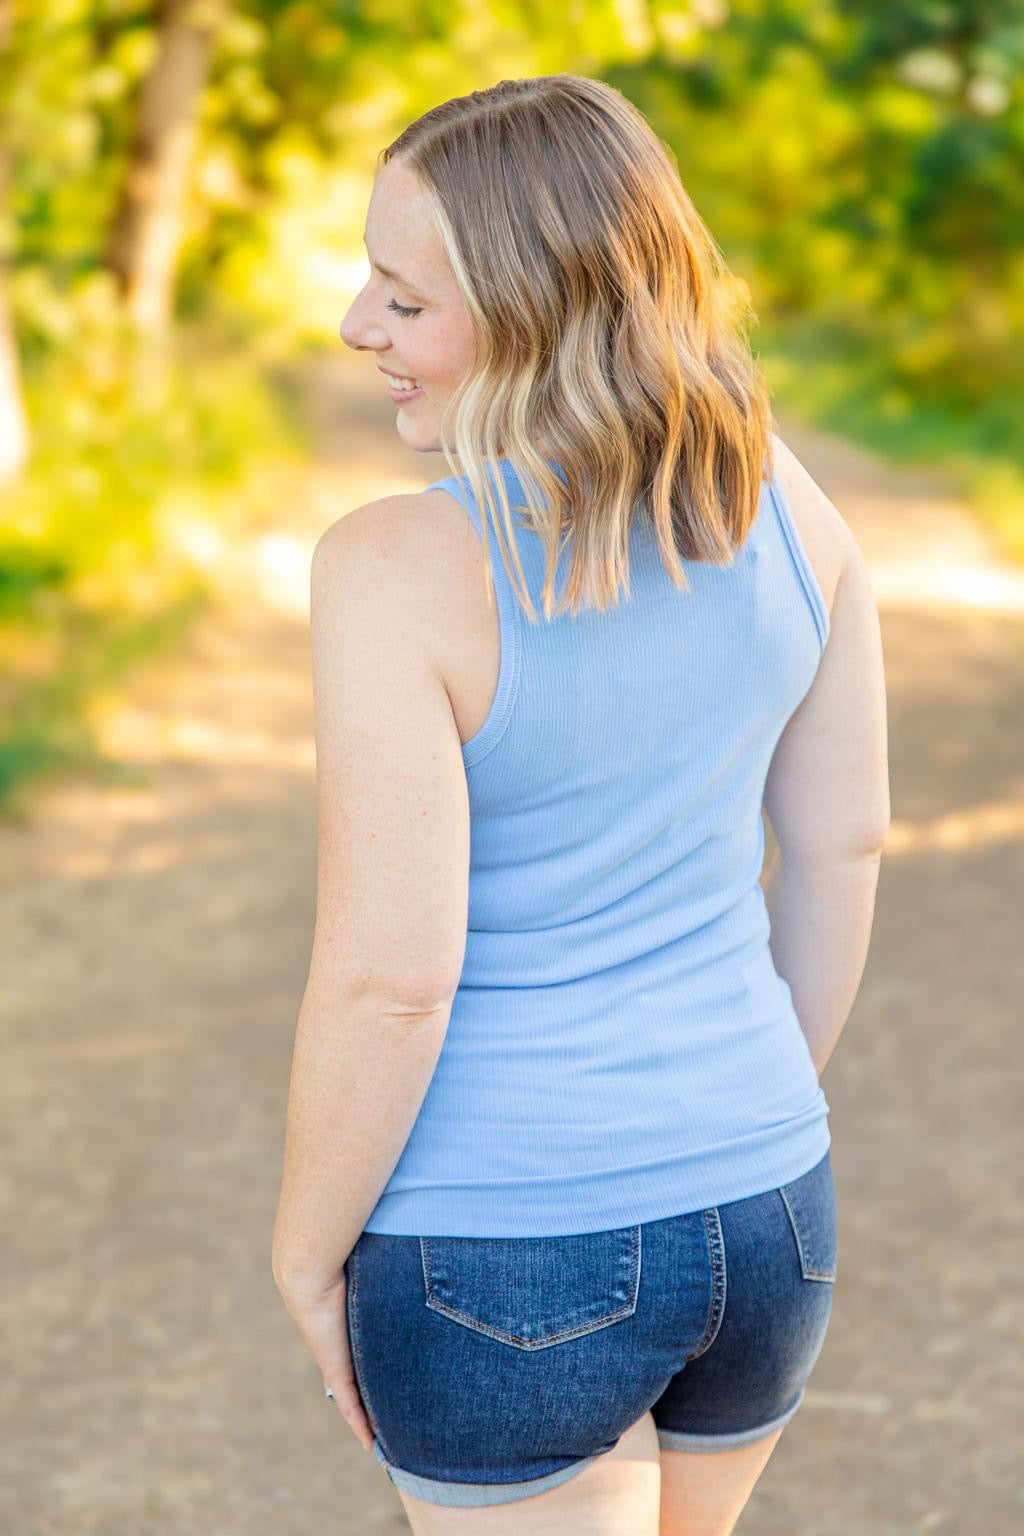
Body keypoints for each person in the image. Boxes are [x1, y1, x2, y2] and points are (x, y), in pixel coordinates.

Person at [271, 74, 890, 1536]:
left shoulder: (389, 571)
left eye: (404, 300)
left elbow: (388, 985)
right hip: (769, 1214)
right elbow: (844, 843)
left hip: (505, 1249)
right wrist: (731, 1117)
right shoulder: (787, 505)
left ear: (538, 310)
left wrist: (305, 1253)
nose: (359, 326)